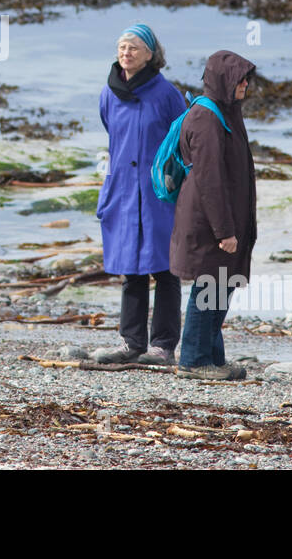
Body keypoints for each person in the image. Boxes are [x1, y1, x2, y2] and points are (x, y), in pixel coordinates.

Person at [93, 24, 187, 365]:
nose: (126, 52)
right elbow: (111, 134)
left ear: (151, 54)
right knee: (129, 268)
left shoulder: (166, 94)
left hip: (158, 192)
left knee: (164, 268)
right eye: (121, 46)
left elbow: (184, 138)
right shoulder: (108, 93)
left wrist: (175, 180)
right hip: (121, 191)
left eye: (133, 47)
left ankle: (163, 346)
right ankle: (131, 343)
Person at [171, 50, 258, 380]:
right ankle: (193, 361)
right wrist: (224, 230)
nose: (246, 83)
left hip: (223, 219)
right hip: (208, 221)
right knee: (209, 285)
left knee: (222, 284)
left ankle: (213, 358)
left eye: (247, 77)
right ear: (224, 79)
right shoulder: (206, 117)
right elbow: (209, 179)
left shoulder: (226, 111)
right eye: (240, 78)